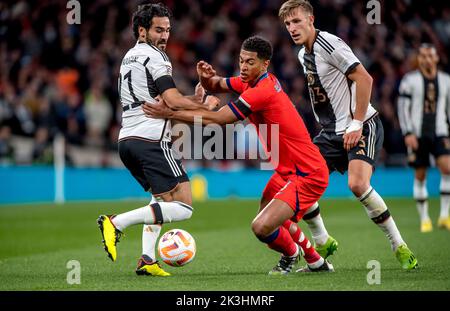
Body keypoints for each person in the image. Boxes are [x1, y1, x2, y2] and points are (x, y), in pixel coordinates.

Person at [144, 36, 334, 274]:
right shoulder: (250, 81)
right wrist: (204, 77)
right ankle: (315, 262)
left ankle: (292, 254)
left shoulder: (262, 91)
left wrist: (170, 113)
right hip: (286, 171)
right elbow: (216, 84)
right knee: (273, 219)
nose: (243, 67)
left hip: (307, 174)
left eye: (250, 62)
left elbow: (220, 119)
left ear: (265, 65)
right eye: (241, 60)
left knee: (262, 227)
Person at [279, 0, 418, 270]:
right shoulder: (301, 54)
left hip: (361, 123)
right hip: (330, 132)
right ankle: (322, 240)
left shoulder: (329, 43)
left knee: (357, 185)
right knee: (299, 179)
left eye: (296, 21)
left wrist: (355, 123)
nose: (292, 28)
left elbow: (364, 79)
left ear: (311, 19)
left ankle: (398, 244)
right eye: (287, 24)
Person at [97, 3, 215, 277]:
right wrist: (205, 106)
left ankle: (147, 259)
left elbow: (157, 99)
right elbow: (171, 102)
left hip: (127, 140)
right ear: (142, 31)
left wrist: (194, 99)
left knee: (159, 199)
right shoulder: (156, 57)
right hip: (151, 140)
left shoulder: (130, 57)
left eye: (168, 30)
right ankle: (117, 222)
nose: (164, 36)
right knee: (183, 206)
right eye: (158, 30)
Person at [397, 44, 450, 232]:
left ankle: (444, 216)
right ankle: (425, 218)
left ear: (436, 58)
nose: (426, 59)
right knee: (420, 174)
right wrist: (407, 132)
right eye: (423, 56)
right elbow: (403, 108)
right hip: (418, 135)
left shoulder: (445, 80)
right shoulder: (409, 80)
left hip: (440, 131)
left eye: (430, 56)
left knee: (447, 168)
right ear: (418, 59)